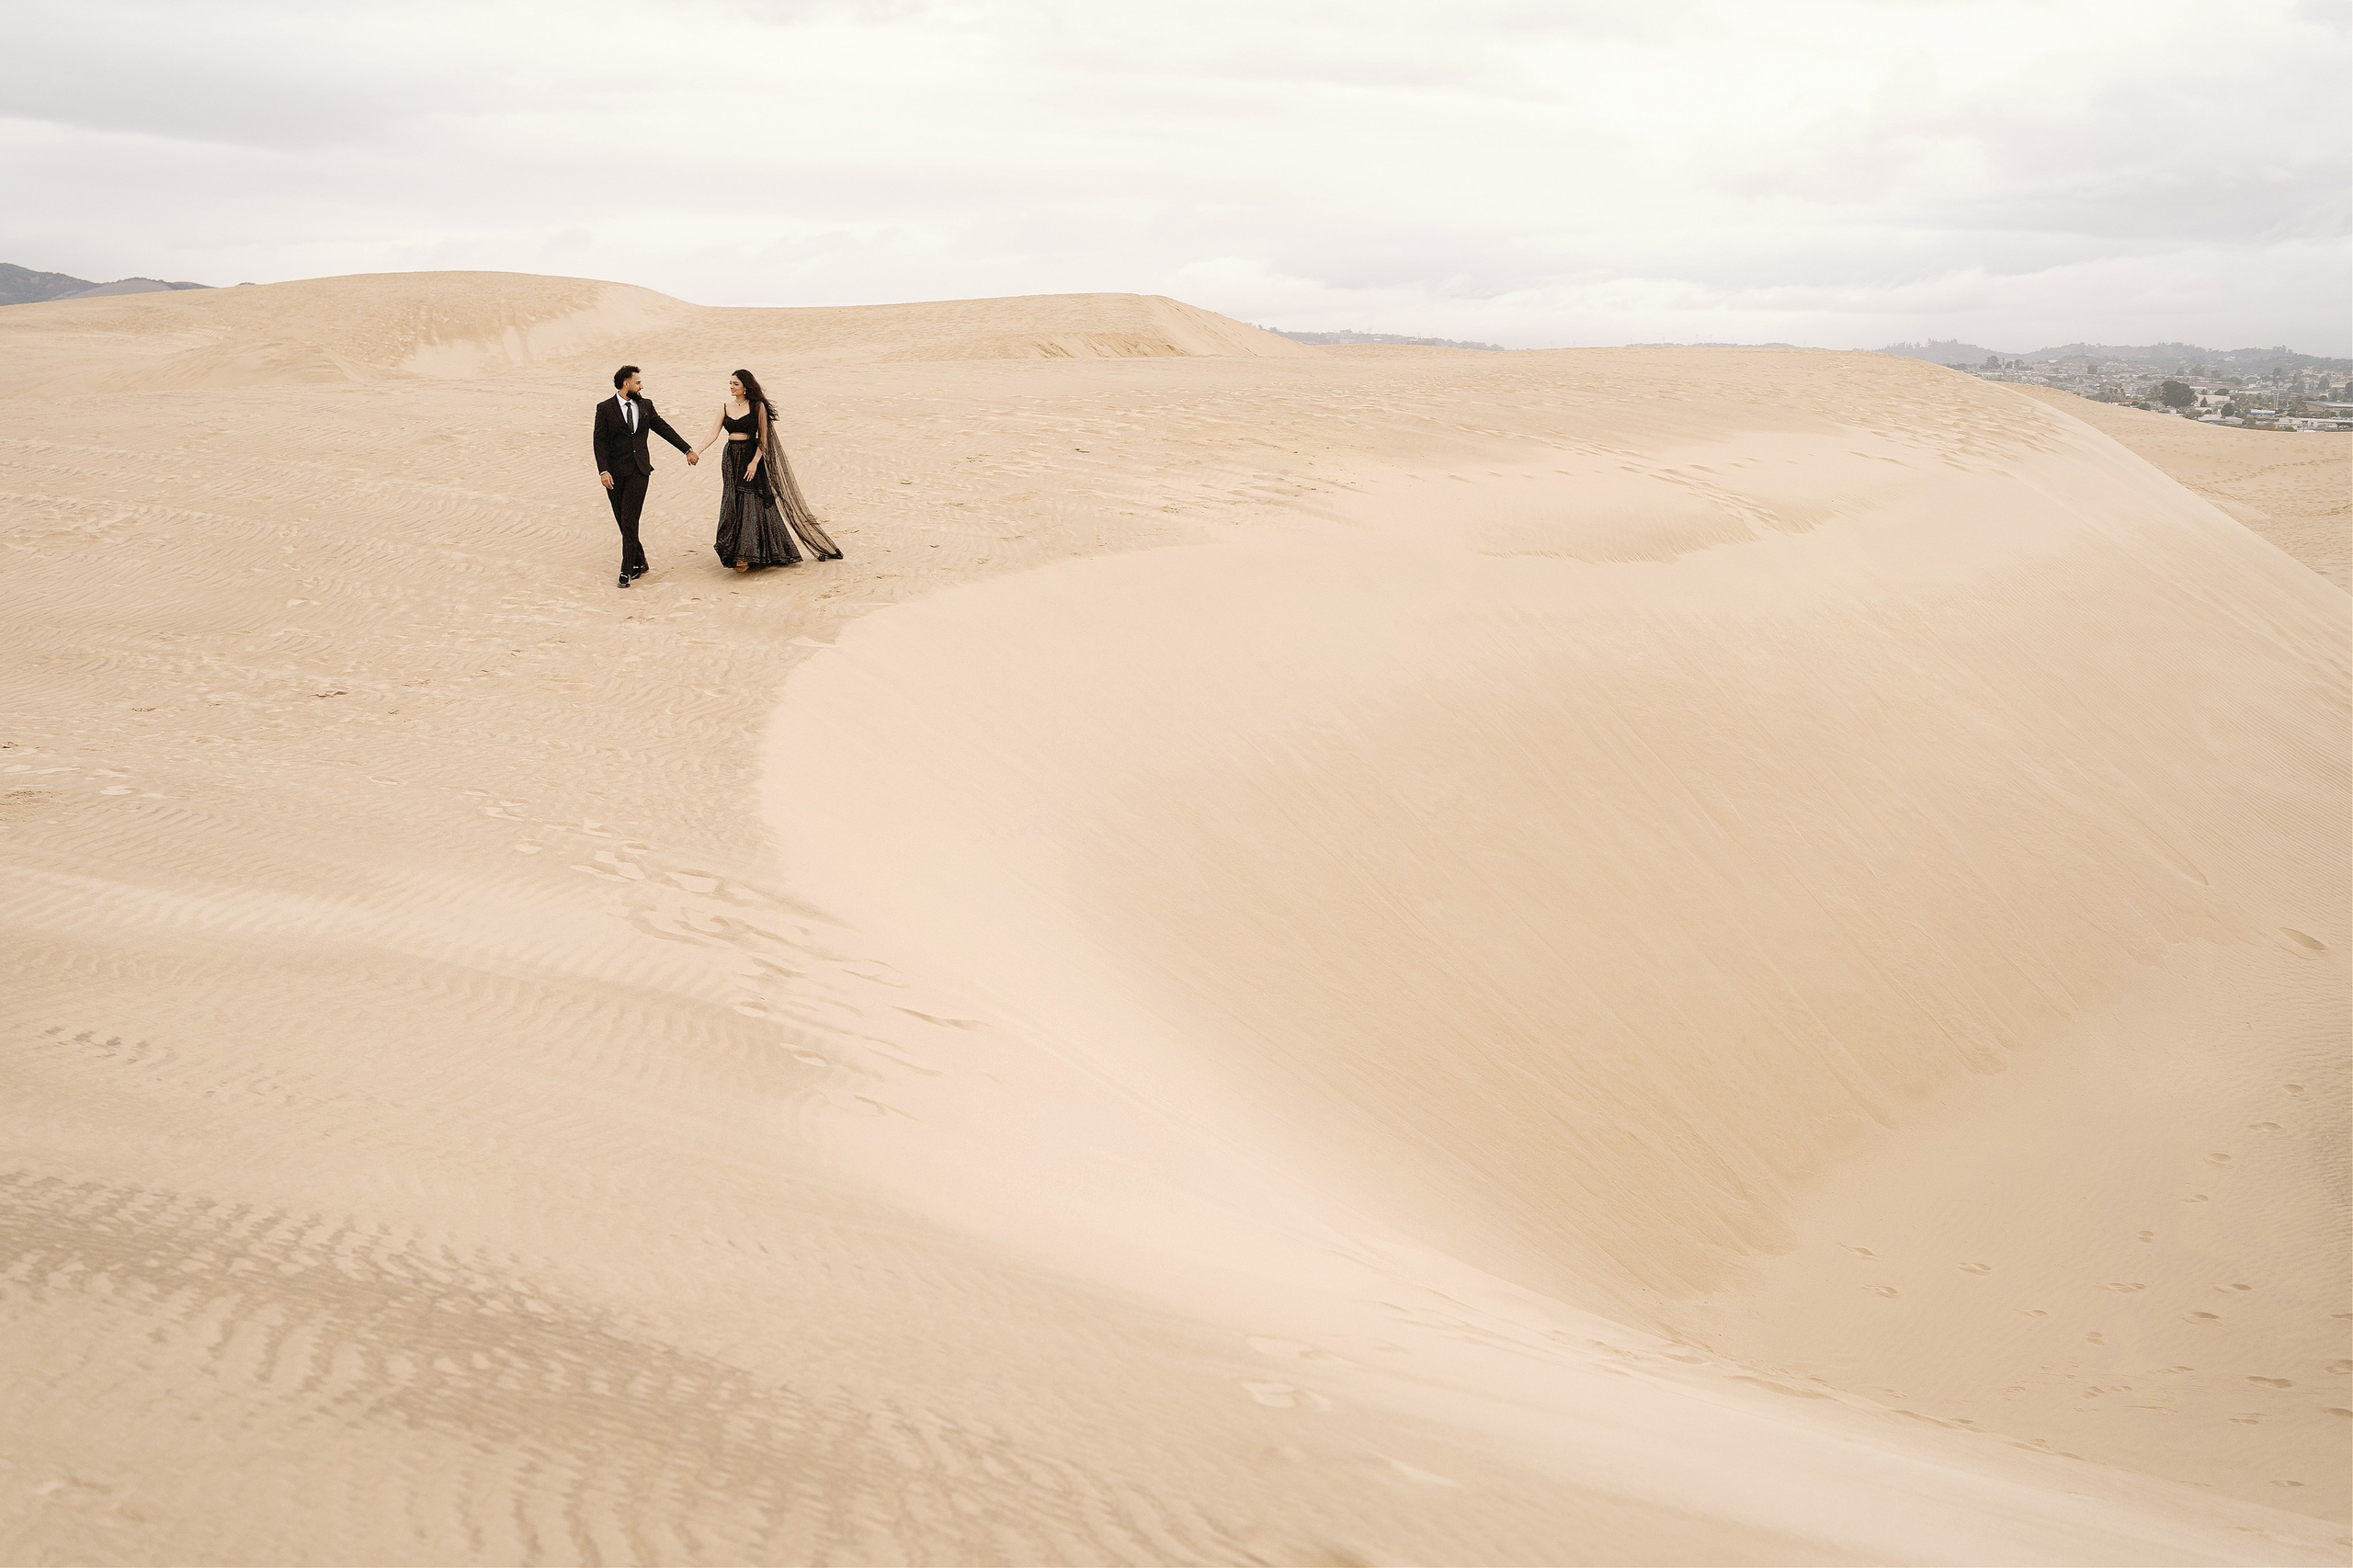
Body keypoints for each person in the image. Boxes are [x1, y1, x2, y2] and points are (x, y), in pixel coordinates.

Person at [692, 369, 843, 573]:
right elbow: (713, 432)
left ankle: (745, 555)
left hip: (750, 456)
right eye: (730, 383)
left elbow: (763, 439)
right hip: (730, 458)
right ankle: (740, 550)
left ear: (746, 386)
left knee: (750, 501)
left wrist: (754, 462)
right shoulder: (725, 407)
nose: (731, 387)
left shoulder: (757, 406)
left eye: (735, 383)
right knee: (733, 499)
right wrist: (697, 451)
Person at [592, 366, 696, 588]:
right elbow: (599, 442)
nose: (641, 386)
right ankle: (641, 560)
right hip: (614, 474)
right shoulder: (605, 408)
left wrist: (687, 449)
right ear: (625, 383)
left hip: (640, 471)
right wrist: (603, 470)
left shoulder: (646, 405)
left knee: (630, 519)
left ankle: (626, 569)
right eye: (637, 382)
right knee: (622, 520)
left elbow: (663, 428)